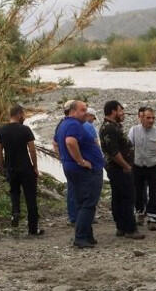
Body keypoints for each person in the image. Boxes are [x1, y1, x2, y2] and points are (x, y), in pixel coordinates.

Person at [55, 101, 105, 248]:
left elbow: (58, 143)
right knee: (88, 203)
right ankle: (81, 237)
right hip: (84, 170)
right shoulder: (73, 125)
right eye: (83, 110)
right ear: (73, 111)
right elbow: (70, 142)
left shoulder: (64, 124)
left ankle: (87, 235)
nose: (86, 112)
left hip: (72, 168)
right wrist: (81, 161)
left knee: (82, 202)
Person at [99, 100, 145, 240]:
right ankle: (130, 229)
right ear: (113, 111)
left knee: (119, 197)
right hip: (119, 169)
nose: (123, 113)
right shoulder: (109, 128)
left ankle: (121, 227)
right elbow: (114, 152)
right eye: (121, 110)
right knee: (127, 197)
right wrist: (126, 166)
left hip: (118, 168)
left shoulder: (113, 126)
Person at [0, 105, 43, 235]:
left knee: (14, 192)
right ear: (19, 114)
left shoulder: (1, 130)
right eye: (24, 115)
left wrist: (2, 167)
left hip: (11, 168)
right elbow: (32, 149)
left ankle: (15, 212)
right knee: (30, 197)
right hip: (26, 168)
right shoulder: (25, 130)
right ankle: (33, 229)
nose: (25, 117)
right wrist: (35, 167)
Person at [128, 107, 156, 231]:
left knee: (154, 193)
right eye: (148, 118)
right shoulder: (134, 130)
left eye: (153, 118)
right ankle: (140, 213)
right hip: (137, 166)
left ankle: (153, 218)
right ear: (141, 118)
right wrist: (127, 164)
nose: (151, 120)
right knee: (137, 191)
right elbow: (128, 148)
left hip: (153, 167)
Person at [52, 101, 79, 225]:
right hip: (74, 162)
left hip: (67, 161)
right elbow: (67, 143)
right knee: (75, 189)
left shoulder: (61, 124)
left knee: (72, 188)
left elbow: (55, 143)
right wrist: (80, 160)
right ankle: (75, 217)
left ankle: (73, 216)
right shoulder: (71, 124)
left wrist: (61, 156)